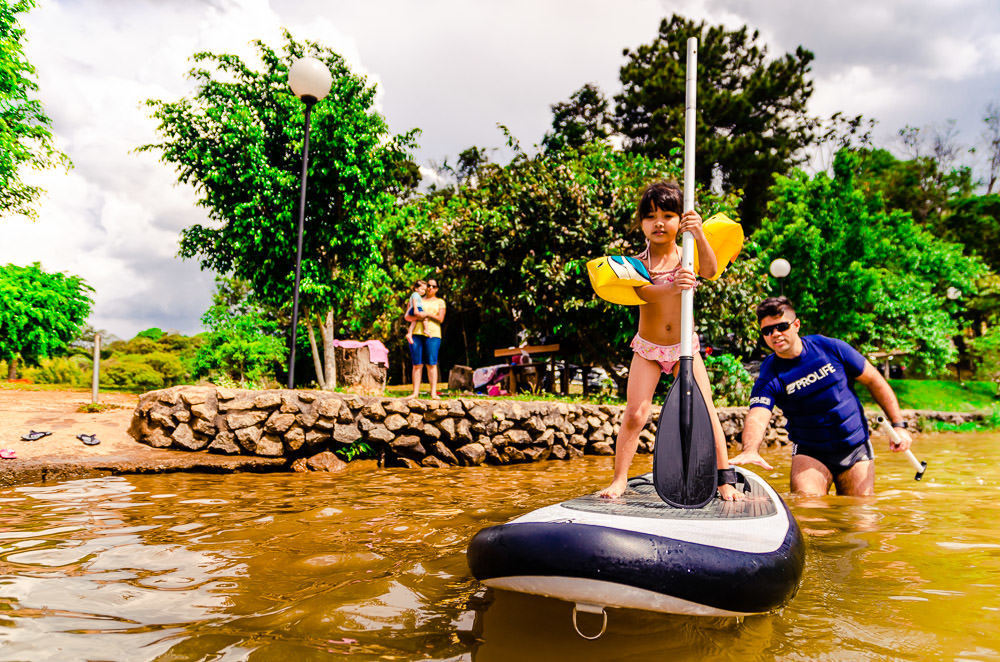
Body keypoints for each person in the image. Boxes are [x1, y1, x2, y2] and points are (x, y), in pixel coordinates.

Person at [599, 180, 743, 501]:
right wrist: (674, 286)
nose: (659, 222)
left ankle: (725, 480)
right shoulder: (637, 264)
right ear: (641, 224)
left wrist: (700, 234)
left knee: (705, 409)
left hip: (684, 348)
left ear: (681, 221)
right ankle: (619, 479)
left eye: (667, 215)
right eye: (650, 217)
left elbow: (711, 268)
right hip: (648, 349)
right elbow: (644, 293)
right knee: (636, 413)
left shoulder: (687, 257)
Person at [729, 296, 915, 496]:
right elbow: (758, 414)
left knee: (861, 519)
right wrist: (750, 449)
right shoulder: (770, 373)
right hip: (810, 452)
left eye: (782, 326)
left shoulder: (829, 348)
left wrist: (899, 425)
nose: (775, 334)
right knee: (809, 512)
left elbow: (874, 381)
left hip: (854, 446)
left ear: (796, 325)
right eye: (767, 330)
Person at [405, 278, 447, 399]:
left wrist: (427, 314)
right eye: (428, 285)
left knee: (431, 363)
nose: (430, 288)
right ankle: (415, 393)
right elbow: (407, 316)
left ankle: (433, 393)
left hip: (433, 334)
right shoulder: (416, 297)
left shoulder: (440, 302)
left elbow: (440, 318)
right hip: (416, 333)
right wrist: (418, 317)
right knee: (417, 364)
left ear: (437, 289)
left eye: (434, 286)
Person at [405, 280, 428, 346]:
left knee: (414, 321)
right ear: (416, 289)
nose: (423, 291)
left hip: (415, 308)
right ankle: (426, 329)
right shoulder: (415, 294)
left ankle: (409, 333)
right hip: (416, 308)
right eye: (422, 289)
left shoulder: (418, 295)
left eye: (424, 290)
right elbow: (414, 302)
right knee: (425, 317)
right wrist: (415, 309)